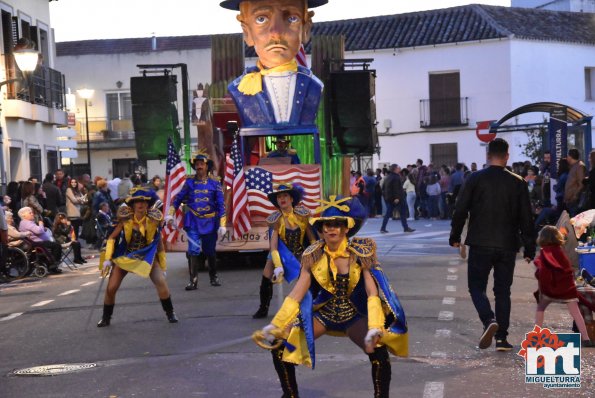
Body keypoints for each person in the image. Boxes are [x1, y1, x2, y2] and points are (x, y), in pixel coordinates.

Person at [254, 195, 408, 398]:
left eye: (336, 224)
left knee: (378, 352)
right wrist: (278, 323)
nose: (330, 229)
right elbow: (297, 293)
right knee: (280, 346)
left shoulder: (360, 253)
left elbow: (372, 292)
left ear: (346, 228)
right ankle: (290, 394)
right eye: (326, 225)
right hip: (323, 316)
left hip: (353, 317)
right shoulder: (313, 254)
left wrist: (375, 327)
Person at [449, 138, 535, 351]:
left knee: (476, 287)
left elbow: (460, 209)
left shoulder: (475, 178)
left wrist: (455, 236)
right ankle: (502, 339)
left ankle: (489, 320)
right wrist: (530, 248)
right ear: (507, 156)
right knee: (503, 291)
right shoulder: (518, 182)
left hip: (480, 242)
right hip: (507, 244)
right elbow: (527, 218)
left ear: (488, 156)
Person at [222, 0, 325, 132]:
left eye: (292, 18)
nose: (276, 32)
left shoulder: (314, 86)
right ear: (247, 32)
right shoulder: (240, 89)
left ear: (305, 29)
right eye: (261, 19)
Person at [97, 187, 177, 327]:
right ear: (132, 205)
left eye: (144, 202)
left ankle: (170, 313)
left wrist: (163, 266)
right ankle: (106, 317)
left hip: (146, 257)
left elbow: (159, 243)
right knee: (111, 288)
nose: (141, 205)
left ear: (148, 204)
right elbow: (111, 238)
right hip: (126, 256)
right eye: (137, 202)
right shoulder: (125, 220)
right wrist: (108, 259)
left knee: (161, 281)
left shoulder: (153, 220)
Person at [252, 183, 315, 318]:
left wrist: (314, 255)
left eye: (285, 195)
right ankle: (263, 308)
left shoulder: (302, 215)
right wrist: (278, 265)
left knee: (311, 276)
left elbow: (312, 239)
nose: (282, 199)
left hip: (299, 252)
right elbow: (273, 247)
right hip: (279, 252)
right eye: (279, 197)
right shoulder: (275, 219)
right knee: (266, 274)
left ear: (291, 199)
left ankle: (310, 305)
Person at [167, 151, 226, 288]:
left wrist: (222, 224)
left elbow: (221, 205)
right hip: (193, 220)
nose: (199, 166)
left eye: (201, 164)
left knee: (210, 250)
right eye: (197, 164)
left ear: (207, 166)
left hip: (210, 222)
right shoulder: (189, 183)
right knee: (193, 249)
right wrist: (170, 213)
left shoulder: (215, 183)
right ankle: (193, 281)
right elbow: (177, 200)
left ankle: (213, 277)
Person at [533, 225, 594, 346]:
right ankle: (586, 338)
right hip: (566, 290)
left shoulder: (545, 252)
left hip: (550, 290)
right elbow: (568, 270)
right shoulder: (561, 251)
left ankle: (537, 335)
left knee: (540, 309)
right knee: (575, 312)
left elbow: (544, 271)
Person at [18, 206, 62, 273]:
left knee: (55, 245)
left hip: (39, 241)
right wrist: (41, 224)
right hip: (37, 242)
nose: (32, 214)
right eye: (30, 213)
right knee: (57, 246)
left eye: (32, 212)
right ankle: (53, 265)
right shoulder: (26, 222)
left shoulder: (27, 222)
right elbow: (39, 231)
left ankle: (52, 266)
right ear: (24, 215)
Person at [380, 164, 414, 234]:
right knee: (402, 213)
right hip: (397, 199)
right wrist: (397, 198)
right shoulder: (396, 177)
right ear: (395, 169)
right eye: (398, 167)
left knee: (388, 214)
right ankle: (406, 228)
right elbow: (396, 189)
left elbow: (383, 188)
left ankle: (383, 228)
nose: (399, 168)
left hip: (389, 199)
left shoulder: (387, 177)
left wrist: (387, 198)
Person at [564, 148, 587, 217]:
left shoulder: (580, 166)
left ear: (570, 157)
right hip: (570, 201)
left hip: (575, 202)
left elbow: (581, 183)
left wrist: (575, 196)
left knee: (575, 223)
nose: (567, 158)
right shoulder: (574, 166)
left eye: (567, 156)